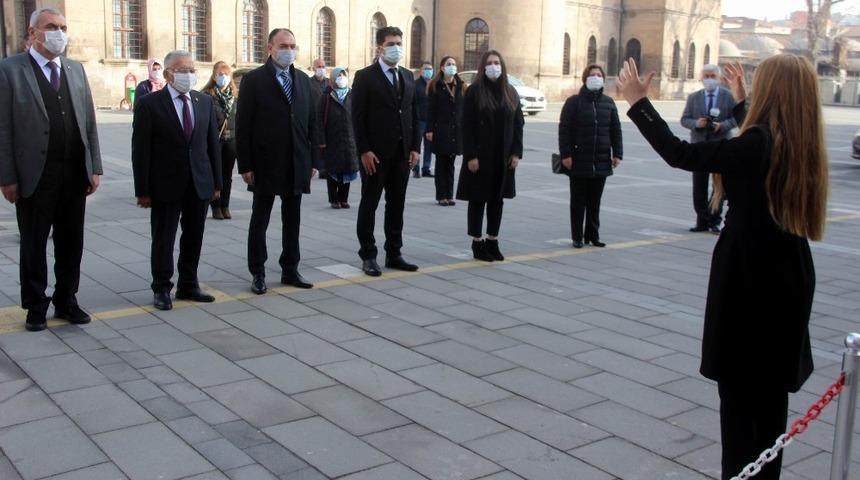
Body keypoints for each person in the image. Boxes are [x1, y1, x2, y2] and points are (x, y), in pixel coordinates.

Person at [617, 55, 827, 480]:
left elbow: (680, 153)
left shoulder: (755, 146)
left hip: (749, 280)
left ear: (772, 92)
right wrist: (744, 101)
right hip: (788, 275)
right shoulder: (800, 144)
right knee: (770, 409)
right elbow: (760, 139)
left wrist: (639, 104)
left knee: (740, 411)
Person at [0, 7, 102, 331]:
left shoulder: (74, 69)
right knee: (34, 242)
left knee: (71, 241)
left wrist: (94, 166)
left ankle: (66, 299)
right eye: (51, 27)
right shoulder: (10, 70)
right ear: (33, 33)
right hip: (35, 174)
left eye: (63, 27)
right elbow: (3, 128)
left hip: (73, 173)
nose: (59, 33)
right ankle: (35, 305)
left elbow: (88, 121)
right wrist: (7, 176)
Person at [132, 50, 222, 311]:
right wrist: (142, 190)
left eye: (192, 70)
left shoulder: (203, 101)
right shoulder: (150, 104)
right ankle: (161, 287)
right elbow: (141, 150)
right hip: (165, 183)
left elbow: (212, 145)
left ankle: (188, 283)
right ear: (168, 73)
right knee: (164, 238)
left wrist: (217, 183)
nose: (189, 75)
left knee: (194, 235)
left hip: (198, 181)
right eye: (183, 70)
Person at [236, 28, 318, 295]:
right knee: (260, 218)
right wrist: (245, 165)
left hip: (296, 160)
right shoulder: (254, 80)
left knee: (292, 219)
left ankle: (290, 268)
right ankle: (257, 272)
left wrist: (314, 160)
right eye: (283, 46)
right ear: (270, 48)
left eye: (293, 46)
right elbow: (243, 124)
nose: (289, 51)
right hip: (265, 162)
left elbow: (312, 122)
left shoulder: (303, 80)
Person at [352, 26, 421, 277]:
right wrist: (364, 150)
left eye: (399, 43)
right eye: (391, 44)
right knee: (370, 203)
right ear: (380, 47)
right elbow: (357, 117)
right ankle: (368, 254)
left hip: (402, 154)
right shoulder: (365, 76)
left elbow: (414, 114)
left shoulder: (407, 76)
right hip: (375, 155)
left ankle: (394, 252)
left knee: (396, 204)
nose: (396, 48)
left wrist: (415, 147)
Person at [455, 50, 523, 262]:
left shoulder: (510, 92)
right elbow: (466, 126)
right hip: (480, 156)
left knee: (497, 199)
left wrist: (516, 152)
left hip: (503, 156)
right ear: (483, 67)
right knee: (478, 199)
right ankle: (477, 242)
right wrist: (471, 156)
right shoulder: (474, 91)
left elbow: (518, 124)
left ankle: (493, 240)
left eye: (497, 62)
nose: (494, 66)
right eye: (490, 63)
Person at [558, 64, 622, 249]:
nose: (596, 78)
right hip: (578, 159)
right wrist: (566, 154)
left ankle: (592, 235)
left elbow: (615, 129)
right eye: (592, 75)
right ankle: (577, 236)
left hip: (601, 160)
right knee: (578, 201)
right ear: (585, 79)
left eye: (599, 75)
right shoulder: (574, 102)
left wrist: (618, 153)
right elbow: (564, 129)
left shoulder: (609, 103)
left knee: (595, 201)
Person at [681, 64, 737, 234]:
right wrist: (696, 123)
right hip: (699, 146)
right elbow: (685, 119)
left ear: (719, 78)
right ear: (702, 78)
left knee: (719, 186)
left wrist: (722, 126)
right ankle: (702, 220)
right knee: (699, 185)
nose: (709, 79)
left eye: (713, 76)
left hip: (721, 146)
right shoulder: (694, 97)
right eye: (706, 76)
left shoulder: (728, 96)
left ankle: (715, 219)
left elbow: (736, 118)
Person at [317, 67, 359, 209]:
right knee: (333, 171)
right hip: (332, 140)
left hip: (349, 140)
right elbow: (319, 120)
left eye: (343, 75)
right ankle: (334, 199)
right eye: (338, 76)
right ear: (332, 80)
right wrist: (321, 140)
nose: (341, 78)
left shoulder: (351, 95)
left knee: (347, 170)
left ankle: (344, 198)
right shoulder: (326, 97)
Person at [201, 61, 238, 220]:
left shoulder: (234, 96)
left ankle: (225, 205)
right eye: (220, 74)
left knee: (227, 175)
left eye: (226, 74)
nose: (223, 77)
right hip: (214, 140)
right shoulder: (207, 95)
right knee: (215, 173)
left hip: (231, 140)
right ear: (214, 77)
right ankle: (215, 206)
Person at [426, 56, 465, 206]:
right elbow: (431, 110)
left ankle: (449, 194)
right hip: (441, 130)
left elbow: (464, 109)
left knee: (451, 164)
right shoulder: (436, 86)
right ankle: (441, 195)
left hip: (456, 131)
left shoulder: (461, 85)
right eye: (449, 64)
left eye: (454, 64)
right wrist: (429, 130)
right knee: (441, 163)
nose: (452, 66)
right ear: (442, 68)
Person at [412, 61, 433, 178]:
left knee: (429, 146)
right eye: (426, 69)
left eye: (430, 69)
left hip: (430, 121)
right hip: (419, 120)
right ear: (421, 71)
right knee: (417, 145)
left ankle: (426, 168)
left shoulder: (433, 84)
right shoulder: (416, 85)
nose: (428, 71)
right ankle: (416, 168)